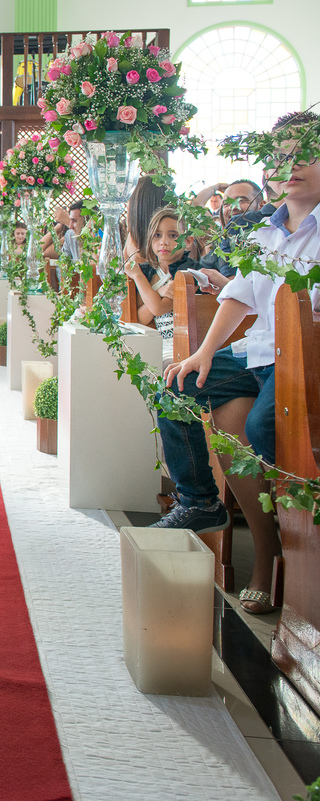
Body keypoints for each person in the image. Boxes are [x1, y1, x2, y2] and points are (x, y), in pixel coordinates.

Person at [154, 110, 320, 614]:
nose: (290, 167)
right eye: (281, 156)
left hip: (304, 360)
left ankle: (287, 551)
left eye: (304, 155)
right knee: (178, 385)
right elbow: (240, 298)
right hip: (258, 354)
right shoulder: (264, 230)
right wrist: (203, 352)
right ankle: (200, 500)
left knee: (264, 424)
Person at [123, 207, 200, 367]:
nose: (164, 242)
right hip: (158, 344)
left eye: (173, 235)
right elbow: (140, 318)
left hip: (185, 347)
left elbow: (158, 309)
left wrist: (137, 276)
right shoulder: (148, 273)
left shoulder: (189, 272)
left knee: (160, 368)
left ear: (188, 241)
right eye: (157, 235)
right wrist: (158, 291)